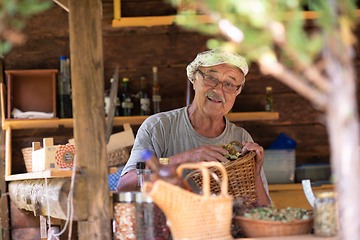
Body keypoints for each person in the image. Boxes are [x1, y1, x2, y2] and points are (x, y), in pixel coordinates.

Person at [117, 47, 271, 206]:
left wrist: (255, 173)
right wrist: (185, 158)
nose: (218, 90)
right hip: (169, 228)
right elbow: (124, 187)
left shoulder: (241, 139)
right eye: (211, 78)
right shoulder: (158, 127)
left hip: (226, 229)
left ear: (237, 92)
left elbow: (264, 212)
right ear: (194, 81)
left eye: (230, 84)